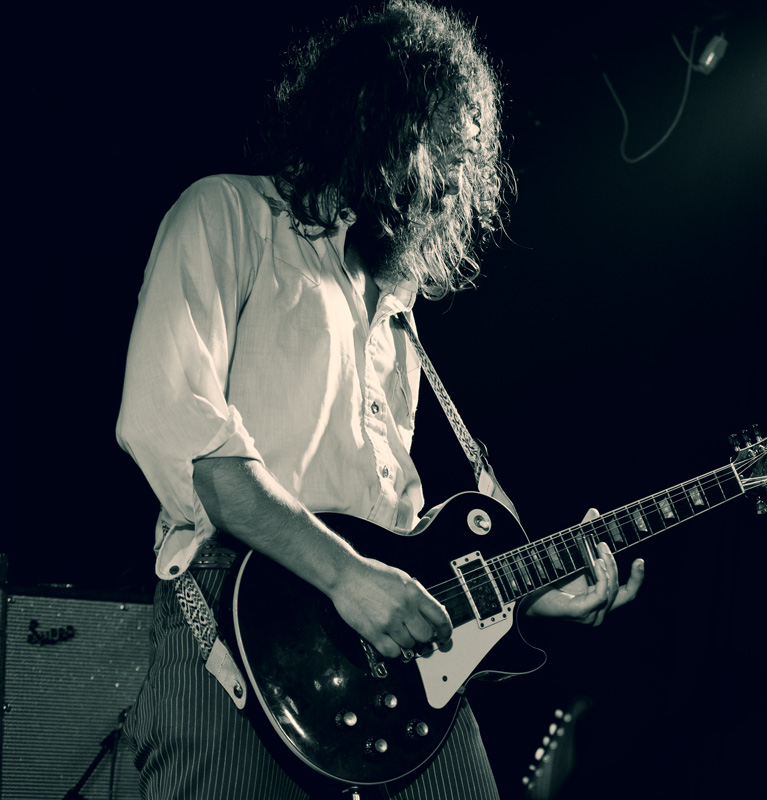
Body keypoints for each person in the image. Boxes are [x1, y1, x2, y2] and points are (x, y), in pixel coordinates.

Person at [115, 2, 646, 798]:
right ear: (373, 115)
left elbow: (406, 547)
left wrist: (526, 601)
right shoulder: (226, 215)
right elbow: (188, 444)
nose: (454, 184)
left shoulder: (398, 313)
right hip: (243, 615)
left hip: (389, 656)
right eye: (444, 147)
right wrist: (347, 577)